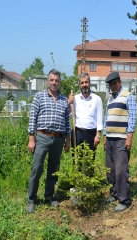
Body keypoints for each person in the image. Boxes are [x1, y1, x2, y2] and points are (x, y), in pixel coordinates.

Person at [26, 69, 71, 213]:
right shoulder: (39, 97)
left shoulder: (64, 100)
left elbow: (67, 122)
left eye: (57, 80)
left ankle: (49, 196)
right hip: (42, 137)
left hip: (58, 139)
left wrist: (68, 140)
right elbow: (32, 118)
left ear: (60, 82)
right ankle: (32, 199)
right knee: (37, 168)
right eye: (52, 80)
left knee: (54, 170)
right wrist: (31, 138)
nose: (54, 83)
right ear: (47, 81)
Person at [103, 72, 137, 212]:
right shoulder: (110, 100)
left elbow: (133, 118)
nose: (113, 86)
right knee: (110, 168)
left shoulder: (128, 96)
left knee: (120, 169)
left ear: (120, 81)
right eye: (110, 85)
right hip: (110, 139)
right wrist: (105, 136)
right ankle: (114, 193)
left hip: (122, 139)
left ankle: (124, 200)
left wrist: (129, 137)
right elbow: (106, 118)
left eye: (115, 83)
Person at [68, 72, 103, 159]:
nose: (84, 85)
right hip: (77, 133)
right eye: (82, 83)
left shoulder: (97, 99)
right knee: (76, 160)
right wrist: (69, 103)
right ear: (79, 85)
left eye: (86, 82)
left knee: (89, 160)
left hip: (91, 134)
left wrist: (98, 135)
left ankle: (89, 173)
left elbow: (100, 118)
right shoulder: (75, 99)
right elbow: (69, 115)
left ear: (90, 83)